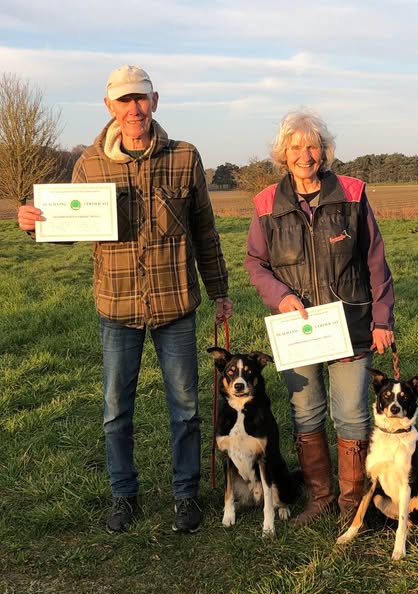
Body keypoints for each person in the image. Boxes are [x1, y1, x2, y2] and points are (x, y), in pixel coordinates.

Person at [18, 65, 233, 534]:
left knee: (186, 409)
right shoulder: (90, 164)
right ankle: (123, 494)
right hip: (117, 308)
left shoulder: (184, 156)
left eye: (141, 99)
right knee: (116, 410)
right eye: (124, 100)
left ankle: (186, 496)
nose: (134, 109)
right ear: (109, 106)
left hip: (176, 305)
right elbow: (68, 228)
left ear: (154, 101)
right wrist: (35, 225)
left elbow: (205, 230)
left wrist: (220, 291)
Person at [244, 110, 395, 527]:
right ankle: (321, 498)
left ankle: (352, 504)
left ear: (323, 151)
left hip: (351, 324)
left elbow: (375, 261)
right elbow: (255, 263)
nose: (304, 155)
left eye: (312, 146)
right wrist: (281, 297)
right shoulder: (266, 204)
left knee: (352, 415)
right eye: (295, 147)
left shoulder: (352, 194)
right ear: (283, 153)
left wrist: (383, 320)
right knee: (306, 413)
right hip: (297, 330)